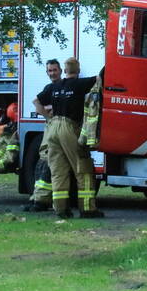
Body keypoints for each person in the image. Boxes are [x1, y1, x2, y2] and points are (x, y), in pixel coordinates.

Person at [38, 57, 102, 218]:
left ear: (64, 71)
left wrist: (48, 117)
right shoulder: (80, 84)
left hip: (53, 128)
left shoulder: (54, 86)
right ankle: (88, 209)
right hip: (69, 128)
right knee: (83, 168)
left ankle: (61, 210)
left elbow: (37, 101)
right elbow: (99, 79)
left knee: (58, 171)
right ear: (78, 71)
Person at [23, 59, 62, 212]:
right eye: (50, 71)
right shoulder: (50, 88)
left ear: (61, 71)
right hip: (52, 127)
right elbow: (36, 103)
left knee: (50, 164)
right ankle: (38, 199)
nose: (52, 73)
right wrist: (49, 117)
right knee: (44, 163)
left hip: (59, 129)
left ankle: (40, 199)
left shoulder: (64, 86)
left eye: (55, 70)